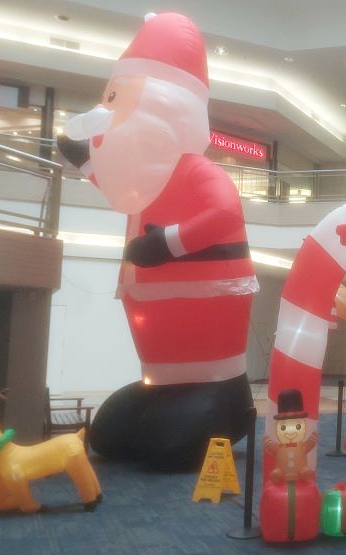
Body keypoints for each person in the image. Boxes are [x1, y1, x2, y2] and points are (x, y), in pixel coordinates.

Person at [57, 12, 257, 470]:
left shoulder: (194, 171)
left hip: (212, 364)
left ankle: (223, 398)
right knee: (111, 434)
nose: (108, 107)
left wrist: (168, 244)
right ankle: (164, 390)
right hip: (158, 370)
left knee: (170, 443)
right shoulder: (142, 182)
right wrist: (87, 165)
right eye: (109, 95)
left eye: (117, 97)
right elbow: (118, 184)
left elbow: (224, 211)